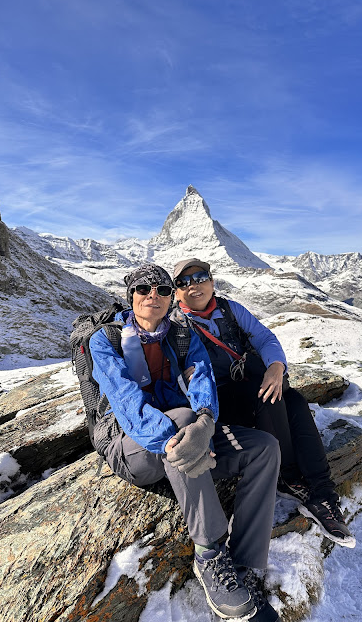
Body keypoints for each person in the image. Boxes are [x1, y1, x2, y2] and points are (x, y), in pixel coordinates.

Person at [89, 264, 281, 621]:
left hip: (188, 432)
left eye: (162, 289)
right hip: (132, 446)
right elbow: (127, 404)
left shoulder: (180, 333)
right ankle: (209, 555)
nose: (154, 296)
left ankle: (244, 565)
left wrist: (206, 422)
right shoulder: (105, 340)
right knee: (179, 420)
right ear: (130, 296)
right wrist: (180, 437)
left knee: (263, 448)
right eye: (144, 289)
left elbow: (201, 378)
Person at [171, 258, 356, 549]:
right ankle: (289, 478)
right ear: (176, 292)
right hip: (217, 403)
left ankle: (323, 493)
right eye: (184, 282)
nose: (194, 285)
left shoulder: (230, 310)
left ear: (212, 281)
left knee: (293, 399)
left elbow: (264, 337)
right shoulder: (176, 327)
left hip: (245, 385)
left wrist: (276, 366)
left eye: (200, 277)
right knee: (270, 398)